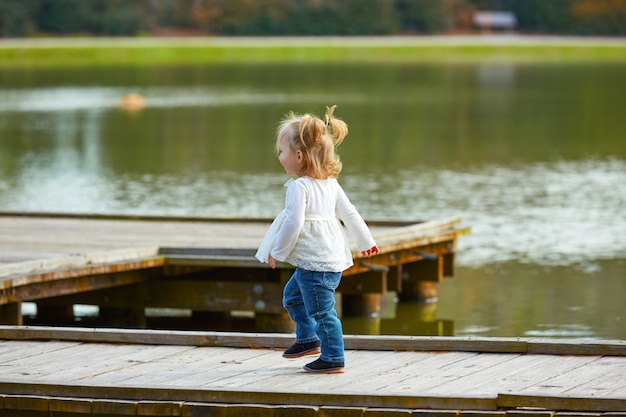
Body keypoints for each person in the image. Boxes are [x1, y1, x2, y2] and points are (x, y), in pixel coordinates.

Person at [255, 105, 379, 374]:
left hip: (314, 264)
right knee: (293, 297)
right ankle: (307, 339)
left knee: (323, 312)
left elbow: (294, 222)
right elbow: (350, 213)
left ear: (299, 156)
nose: (280, 157)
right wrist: (366, 241)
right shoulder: (330, 183)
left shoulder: (300, 187)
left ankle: (333, 357)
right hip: (327, 259)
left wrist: (278, 250)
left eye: (282, 152)